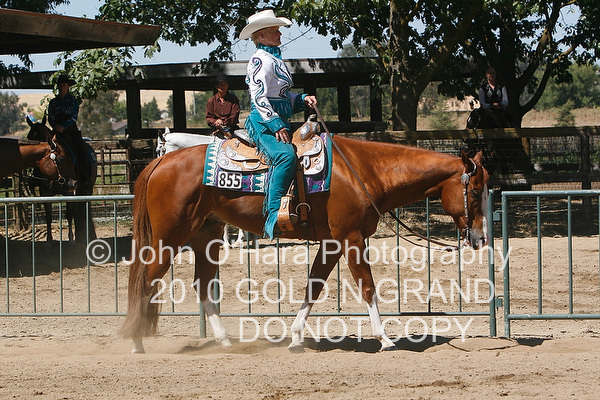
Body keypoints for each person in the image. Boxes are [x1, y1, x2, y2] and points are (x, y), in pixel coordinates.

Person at [239, 9, 318, 239]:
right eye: (275, 30)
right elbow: (259, 97)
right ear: (261, 36)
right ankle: (273, 215)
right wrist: (275, 124)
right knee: (285, 156)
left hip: (278, 121)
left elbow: (282, 98)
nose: (280, 34)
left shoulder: (274, 59)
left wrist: (302, 99)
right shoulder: (259, 60)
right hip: (262, 123)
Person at [47, 74, 90, 185]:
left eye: (64, 84)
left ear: (68, 86)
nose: (62, 86)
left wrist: (64, 126)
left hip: (71, 131)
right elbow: (50, 117)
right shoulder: (53, 102)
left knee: (81, 150)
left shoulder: (73, 100)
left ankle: (84, 175)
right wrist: (55, 126)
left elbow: (74, 117)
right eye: (60, 84)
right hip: (56, 131)